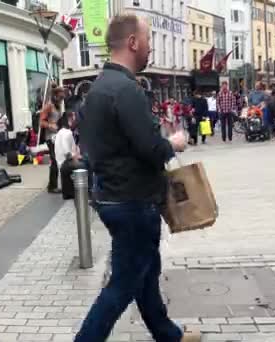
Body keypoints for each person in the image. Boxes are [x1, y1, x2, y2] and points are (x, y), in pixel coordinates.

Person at [77, 14, 192, 342]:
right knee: (122, 286)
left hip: (113, 197)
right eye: (148, 41)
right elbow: (151, 149)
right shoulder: (126, 90)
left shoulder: (96, 89)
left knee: (146, 273)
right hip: (133, 202)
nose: (150, 49)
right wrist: (174, 143)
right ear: (132, 43)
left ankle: (168, 335)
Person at [40, 85, 65, 194]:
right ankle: (52, 186)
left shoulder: (57, 106)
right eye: (60, 97)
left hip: (57, 137)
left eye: (62, 98)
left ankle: (52, 184)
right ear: (55, 95)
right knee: (54, 161)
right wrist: (51, 125)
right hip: (50, 138)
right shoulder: (48, 106)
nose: (61, 99)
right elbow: (41, 122)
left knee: (57, 160)